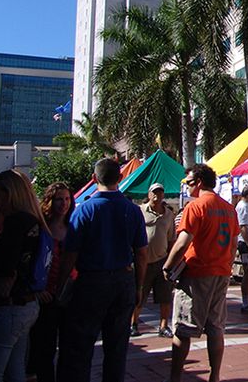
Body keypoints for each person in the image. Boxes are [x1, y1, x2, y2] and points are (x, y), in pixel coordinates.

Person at [56, 158, 148, 382]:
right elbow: (142, 253)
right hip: (123, 281)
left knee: (80, 346)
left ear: (94, 179)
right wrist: (139, 285)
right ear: (120, 178)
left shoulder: (85, 209)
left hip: (91, 282)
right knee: (117, 348)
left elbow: (71, 254)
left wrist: (60, 285)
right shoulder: (132, 210)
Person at [163, 164, 240, 382]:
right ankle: (214, 376)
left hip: (196, 273)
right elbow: (233, 243)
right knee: (215, 327)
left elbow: (182, 243)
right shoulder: (228, 208)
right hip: (221, 272)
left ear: (198, 182)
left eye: (188, 182)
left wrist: (167, 267)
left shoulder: (195, 207)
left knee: (184, 328)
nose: (186, 187)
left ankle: (175, 377)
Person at [0, 169, 44, 382]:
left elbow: (6, 263)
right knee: (14, 370)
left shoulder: (16, 222)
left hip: (10, 303)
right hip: (26, 303)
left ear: (11, 193)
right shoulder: (33, 220)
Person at [27, 182, 72, 382]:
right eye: (59, 199)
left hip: (69, 295)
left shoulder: (75, 227)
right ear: (49, 201)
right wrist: (37, 289)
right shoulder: (40, 228)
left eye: (67, 199)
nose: (64, 204)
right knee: (43, 349)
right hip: (45, 296)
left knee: (69, 348)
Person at [131, 182, 175, 338]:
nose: (158, 195)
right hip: (143, 261)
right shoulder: (140, 211)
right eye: (154, 192)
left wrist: (171, 260)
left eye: (160, 192)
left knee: (164, 296)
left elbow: (171, 239)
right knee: (140, 294)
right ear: (149, 194)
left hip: (162, 260)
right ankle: (133, 324)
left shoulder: (169, 214)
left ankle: (163, 326)